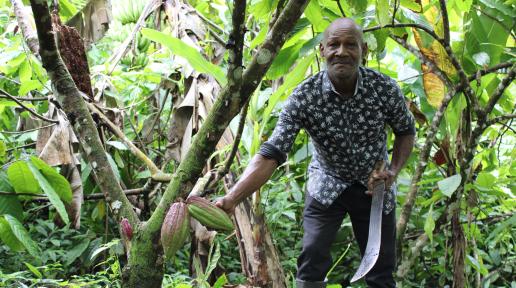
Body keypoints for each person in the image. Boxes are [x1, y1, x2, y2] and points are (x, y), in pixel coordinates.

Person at [216, 18, 415, 288]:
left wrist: (393, 170)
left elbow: (406, 130)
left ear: (364, 50)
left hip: (373, 186)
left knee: (381, 271)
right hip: (327, 184)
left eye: (350, 45)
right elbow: (272, 153)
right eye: (334, 44)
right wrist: (232, 199)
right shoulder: (304, 97)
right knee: (312, 262)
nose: (341, 52)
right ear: (322, 50)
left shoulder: (384, 89)